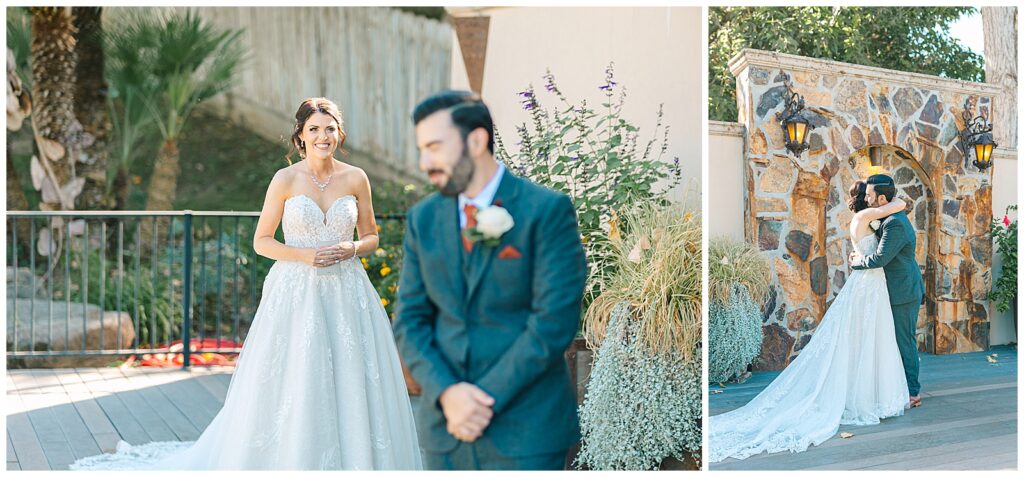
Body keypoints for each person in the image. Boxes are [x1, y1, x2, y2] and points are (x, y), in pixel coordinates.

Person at [70, 98, 422, 470]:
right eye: (314, 129)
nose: (323, 136)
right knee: (295, 374)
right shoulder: (285, 179)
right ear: (300, 136)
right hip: (296, 291)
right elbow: (262, 241)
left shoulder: (356, 178)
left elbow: (371, 236)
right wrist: (304, 255)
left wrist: (352, 246)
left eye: (329, 128)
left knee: (350, 375)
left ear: (340, 132)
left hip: (347, 291)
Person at [392, 90, 587, 470]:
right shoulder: (423, 219)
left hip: (526, 428)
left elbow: (552, 324)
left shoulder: (546, 211)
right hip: (446, 430)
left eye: (434, 146)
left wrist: (481, 399)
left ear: (476, 140)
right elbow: (410, 321)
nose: (424, 162)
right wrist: (449, 393)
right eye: (421, 149)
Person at [709, 175, 915, 463]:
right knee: (871, 334)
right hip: (870, 281)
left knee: (871, 335)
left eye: (871, 194)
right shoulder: (869, 215)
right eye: (866, 195)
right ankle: (871, 395)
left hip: (871, 284)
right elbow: (900, 204)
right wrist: (896, 199)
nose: (868, 198)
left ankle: (870, 390)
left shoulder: (865, 216)